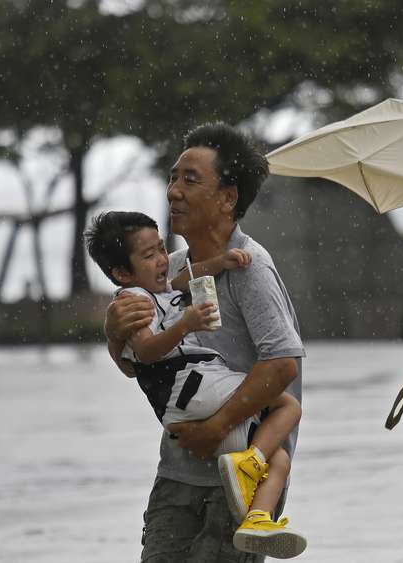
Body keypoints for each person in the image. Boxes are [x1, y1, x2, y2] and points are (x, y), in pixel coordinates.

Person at [103, 123, 305, 563]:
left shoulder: (251, 269)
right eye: (173, 177)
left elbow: (283, 365)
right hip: (177, 471)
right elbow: (140, 363)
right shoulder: (166, 271)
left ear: (228, 198)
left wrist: (216, 427)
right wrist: (113, 334)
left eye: (190, 180)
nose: (173, 190)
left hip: (243, 478)